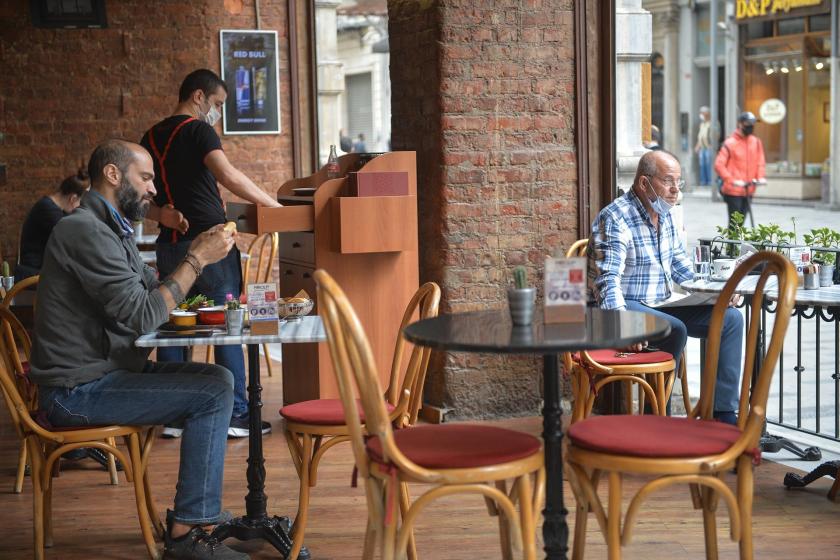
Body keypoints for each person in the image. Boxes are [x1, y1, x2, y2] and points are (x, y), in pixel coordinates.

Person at [30, 139, 249, 560]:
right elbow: (141, 316)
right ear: (113, 175)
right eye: (146, 178)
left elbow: (152, 294)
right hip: (76, 391)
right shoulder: (83, 231)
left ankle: (196, 518)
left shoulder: (113, 229)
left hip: (105, 372)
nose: (153, 190)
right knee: (212, 392)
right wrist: (197, 260)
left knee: (219, 379)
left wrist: (196, 266)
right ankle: (188, 534)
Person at [140, 69, 281, 439]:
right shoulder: (198, 130)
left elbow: (142, 202)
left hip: (171, 243)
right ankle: (235, 413)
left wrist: (163, 216)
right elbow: (228, 175)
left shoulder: (150, 137)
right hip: (211, 243)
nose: (216, 112)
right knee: (227, 324)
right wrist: (274, 207)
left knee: (175, 326)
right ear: (199, 96)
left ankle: (174, 415)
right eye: (217, 104)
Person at [588, 150, 743, 425]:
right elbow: (607, 280)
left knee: (730, 319)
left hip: (660, 305)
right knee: (674, 328)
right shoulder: (615, 217)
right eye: (668, 181)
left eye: (679, 183)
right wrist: (625, 323)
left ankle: (722, 414)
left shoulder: (667, 215)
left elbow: (681, 267)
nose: (675, 191)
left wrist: (719, 295)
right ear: (644, 183)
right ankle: (657, 417)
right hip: (623, 305)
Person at [17, 168, 89, 280]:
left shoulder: (53, 208)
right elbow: (73, 240)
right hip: (34, 275)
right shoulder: (47, 210)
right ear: (73, 198)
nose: (81, 207)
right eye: (81, 202)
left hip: (43, 271)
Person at [715, 111, 766, 227]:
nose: (751, 126)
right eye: (748, 123)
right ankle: (731, 245)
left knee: (741, 222)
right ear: (740, 124)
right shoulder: (730, 143)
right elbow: (719, 164)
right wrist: (731, 180)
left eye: (753, 123)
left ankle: (735, 245)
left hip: (749, 188)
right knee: (734, 224)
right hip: (733, 190)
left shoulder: (756, 142)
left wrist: (760, 177)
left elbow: (760, 162)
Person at [695, 106, 713, 187]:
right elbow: (700, 136)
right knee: (702, 165)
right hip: (702, 148)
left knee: (708, 164)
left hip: (709, 147)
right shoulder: (702, 124)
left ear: (707, 113)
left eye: (702, 113)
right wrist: (697, 145)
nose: (701, 114)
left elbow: (715, 135)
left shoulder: (712, 123)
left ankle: (709, 181)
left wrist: (712, 145)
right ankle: (703, 181)